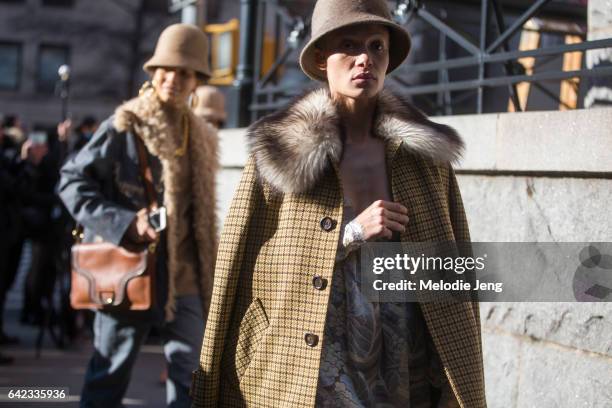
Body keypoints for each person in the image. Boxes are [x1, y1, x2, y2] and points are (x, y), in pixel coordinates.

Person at [192, 0, 486, 407]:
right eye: (349, 45)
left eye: (376, 46)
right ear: (320, 58)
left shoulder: (424, 155)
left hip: (401, 355)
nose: (364, 58)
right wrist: (352, 233)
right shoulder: (279, 153)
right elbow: (246, 266)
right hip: (312, 352)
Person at [59, 24, 218, 408]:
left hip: (186, 280)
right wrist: (126, 222)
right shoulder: (124, 126)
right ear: (153, 72)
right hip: (132, 271)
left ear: (197, 79)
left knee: (192, 378)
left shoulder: (200, 134)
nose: (174, 79)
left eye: (185, 72)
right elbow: (71, 182)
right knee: (109, 375)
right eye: (166, 68)